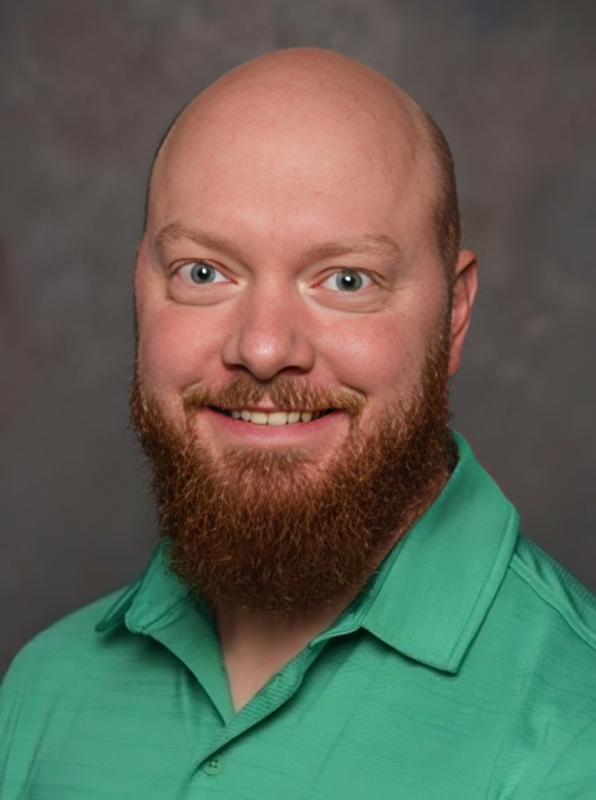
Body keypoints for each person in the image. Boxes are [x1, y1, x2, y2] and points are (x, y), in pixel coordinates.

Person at [1, 48, 595, 799]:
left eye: (346, 280)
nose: (263, 348)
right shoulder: (43, 693)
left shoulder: (577, 730)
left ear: (454, 316)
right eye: (204, 273)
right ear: (140, 291)